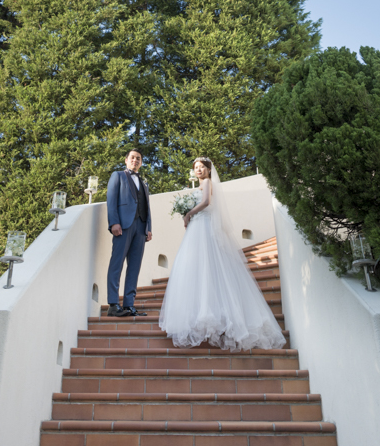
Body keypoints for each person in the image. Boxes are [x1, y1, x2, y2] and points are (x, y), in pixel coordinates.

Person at [159, 157, 286, 350]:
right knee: (200, 268)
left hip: (204, 226)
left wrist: (189, 213)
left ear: (209, 170)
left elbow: (206, 202)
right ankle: (202, 315)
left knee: (208, 266)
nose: (199, 170)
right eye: (196, 168)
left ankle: (214, 316)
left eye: (202, 167)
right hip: (197, 227)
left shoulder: (207, 183)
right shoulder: (200, 184)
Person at [106, 148, 153, 317]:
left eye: (138, 158)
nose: (135, 160)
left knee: (134, 266)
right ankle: (113, 304)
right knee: (116, 264)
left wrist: (148, 228)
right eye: (132, 157)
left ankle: (129, 304)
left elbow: (147, 206)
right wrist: (114, 222)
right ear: (126, 160)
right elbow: (111, 200)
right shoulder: (117, 176)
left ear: (141, 162)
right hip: (123, 226)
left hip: (140, 227)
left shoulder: (144, 183)